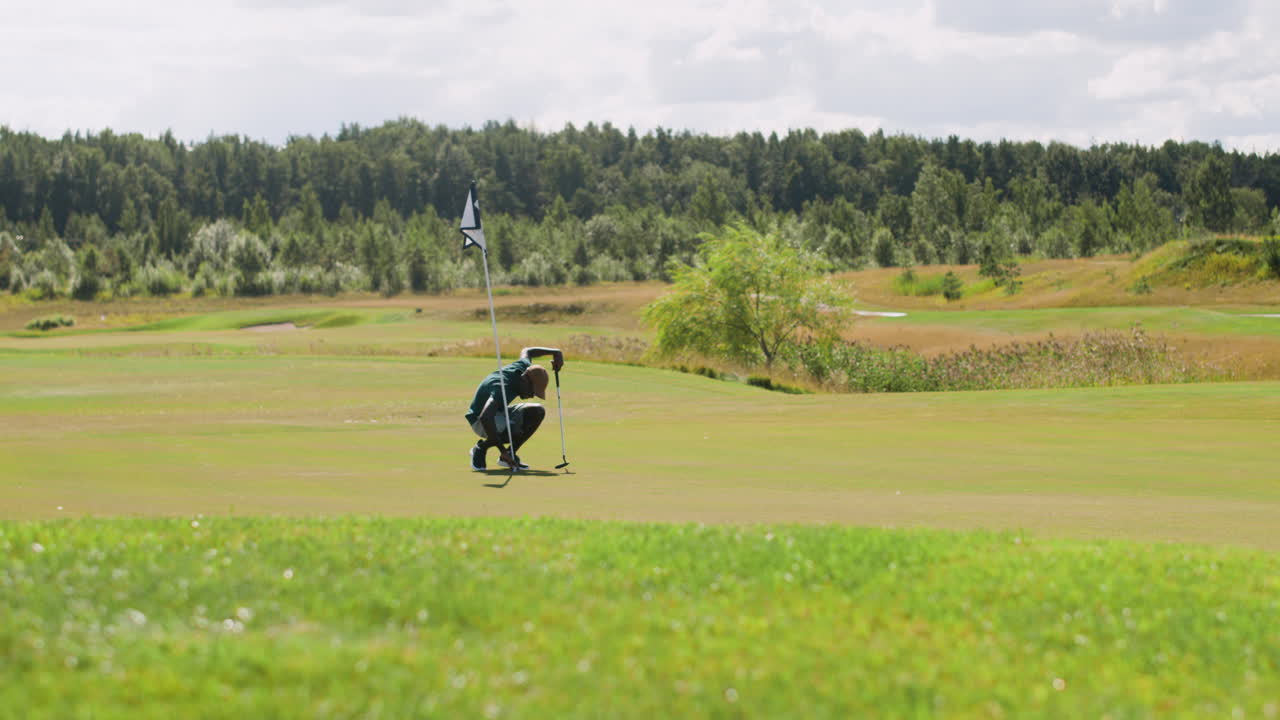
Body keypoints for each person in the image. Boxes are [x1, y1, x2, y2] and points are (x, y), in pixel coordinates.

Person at [466, 346, 564, 471]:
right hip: (479, 420)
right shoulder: (502, 388)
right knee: (514, 427)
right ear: (525, 380)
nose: (531, 395)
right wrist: (502, 450)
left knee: (537, 411)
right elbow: (485, 417)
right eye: (532, 391)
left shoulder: (524, 367)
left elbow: (528, 351)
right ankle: (480, 449)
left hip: (498, 412)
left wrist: (556, 352)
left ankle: (509, 455)